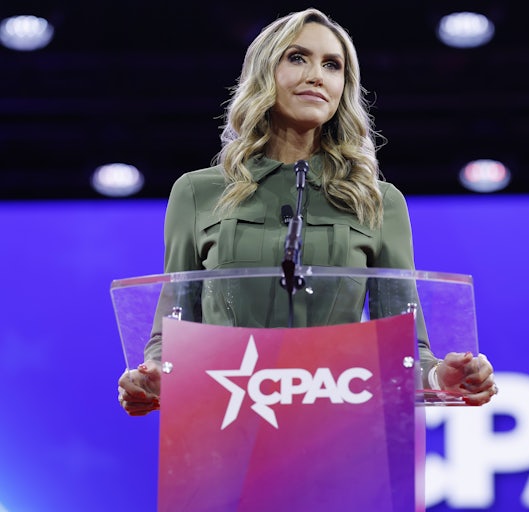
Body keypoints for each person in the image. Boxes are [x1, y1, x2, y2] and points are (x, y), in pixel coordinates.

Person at [117, 8, 497, 416]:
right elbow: (170, 332)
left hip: (338, 426)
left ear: (342, 87)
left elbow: (407, 351)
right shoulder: (196, 192)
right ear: (264, 72)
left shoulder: (378, 200)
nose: (317, 75)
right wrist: (152, 375)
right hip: (225, 425)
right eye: (297, 57)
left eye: (332, 65)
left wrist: (442, 378)